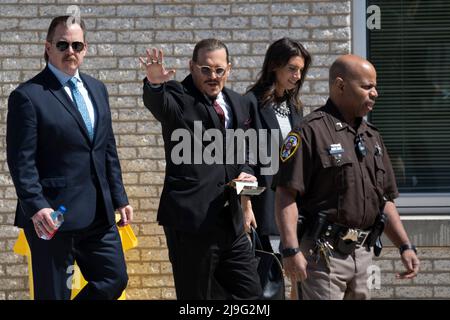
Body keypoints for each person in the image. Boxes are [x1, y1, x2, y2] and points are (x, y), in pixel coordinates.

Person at [6, 16, 133, 300]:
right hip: (52, 216)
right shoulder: (28, 96)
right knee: (54, 294)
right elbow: (20, 161)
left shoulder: (97, 89)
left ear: (85, 48)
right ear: (48, 47)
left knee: (114, 278)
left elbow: (106, 149)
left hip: (99, 214)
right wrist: (37, 206)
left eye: (77, 45)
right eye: (63, 44)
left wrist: (120, 197)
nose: (70, 51)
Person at [274, 54, 420, 300]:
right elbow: (286, 194)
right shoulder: (310, 132)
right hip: (321, 256)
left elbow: (385, 200)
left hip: (363, 254)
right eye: (367, 86)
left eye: (375, 86)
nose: (374, 93)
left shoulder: (372, 137)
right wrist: (290, 250)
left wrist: (405, 246)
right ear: (340, 85)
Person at [140, 39, 261, 299]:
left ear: (229, 69)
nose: (212, 76)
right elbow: (160, 105)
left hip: (232, 222)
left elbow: (247, 149)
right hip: (193, 223)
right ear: (192, 67)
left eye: (219, 70)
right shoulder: (178, 95)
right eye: (205, 69)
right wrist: (154, 85)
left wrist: (247, 173)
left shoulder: (239, 103)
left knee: (251, 295)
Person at [245, 38, 311, 253]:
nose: (297, 76)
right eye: (292, 69)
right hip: (263, 209)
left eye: (300, 70)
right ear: (274, 65)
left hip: (293, 208)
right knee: (266, 280)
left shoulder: (295, 108)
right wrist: (245, 206)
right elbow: (242, 160)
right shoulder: (250, 103)